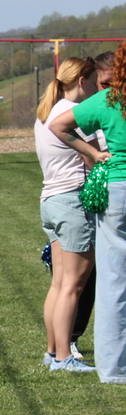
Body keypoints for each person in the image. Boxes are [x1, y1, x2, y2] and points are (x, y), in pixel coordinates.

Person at [48, 42, 126, 383]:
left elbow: (59, 125)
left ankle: (113, 369)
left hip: (117, 189)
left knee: (113, 279)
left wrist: (93, 154)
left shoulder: (108, 99)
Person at [33, 57, 99, 372]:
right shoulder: (72, 114)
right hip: (72, 201)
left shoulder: (46, 111)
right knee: (73, 286)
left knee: (60, 284)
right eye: (95, 82)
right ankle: (63, 358)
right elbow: (95, 158)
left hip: (51, 200)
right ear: (82, 81)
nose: (96, 89)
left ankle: (53, 352)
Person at [72, 51, 116, 354]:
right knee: (89, 274)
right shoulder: (89, 109)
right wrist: (96, 159)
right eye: (104, 83)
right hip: (96, 196)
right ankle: (72, 335)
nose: (109, 90)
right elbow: (63, 130)